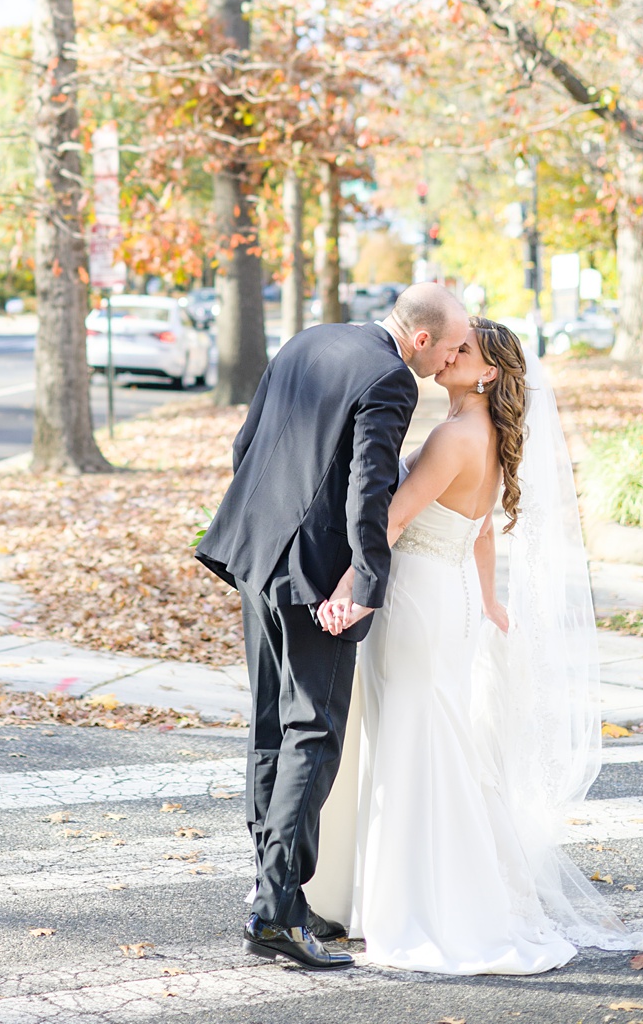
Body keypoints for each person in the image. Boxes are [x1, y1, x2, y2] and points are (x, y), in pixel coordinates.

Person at [306, 318, 640, 973]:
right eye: (452, 346)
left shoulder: (454, 436)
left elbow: (394, 520)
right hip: (454, 592)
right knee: (436, 735)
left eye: (465, 352)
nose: (451, 355)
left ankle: (418, 903)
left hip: (419, 600)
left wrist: (348, 590)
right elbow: (482, 533)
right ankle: (426, 890)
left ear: (488, 373)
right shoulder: (487, 436)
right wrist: (488, 601)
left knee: (412, 740)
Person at [193, 281, 472, 971]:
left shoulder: (311, 339)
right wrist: (366, 583)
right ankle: (272, 911)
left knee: (270, 727)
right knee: (313, 732)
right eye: (451, 348)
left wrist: (264, 529)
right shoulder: (389, 377)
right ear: (419, 340)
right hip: (315, 576)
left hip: (252, 552)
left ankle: (279, 898)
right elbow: (368, 487)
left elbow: (246, 442)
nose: (450, 360)